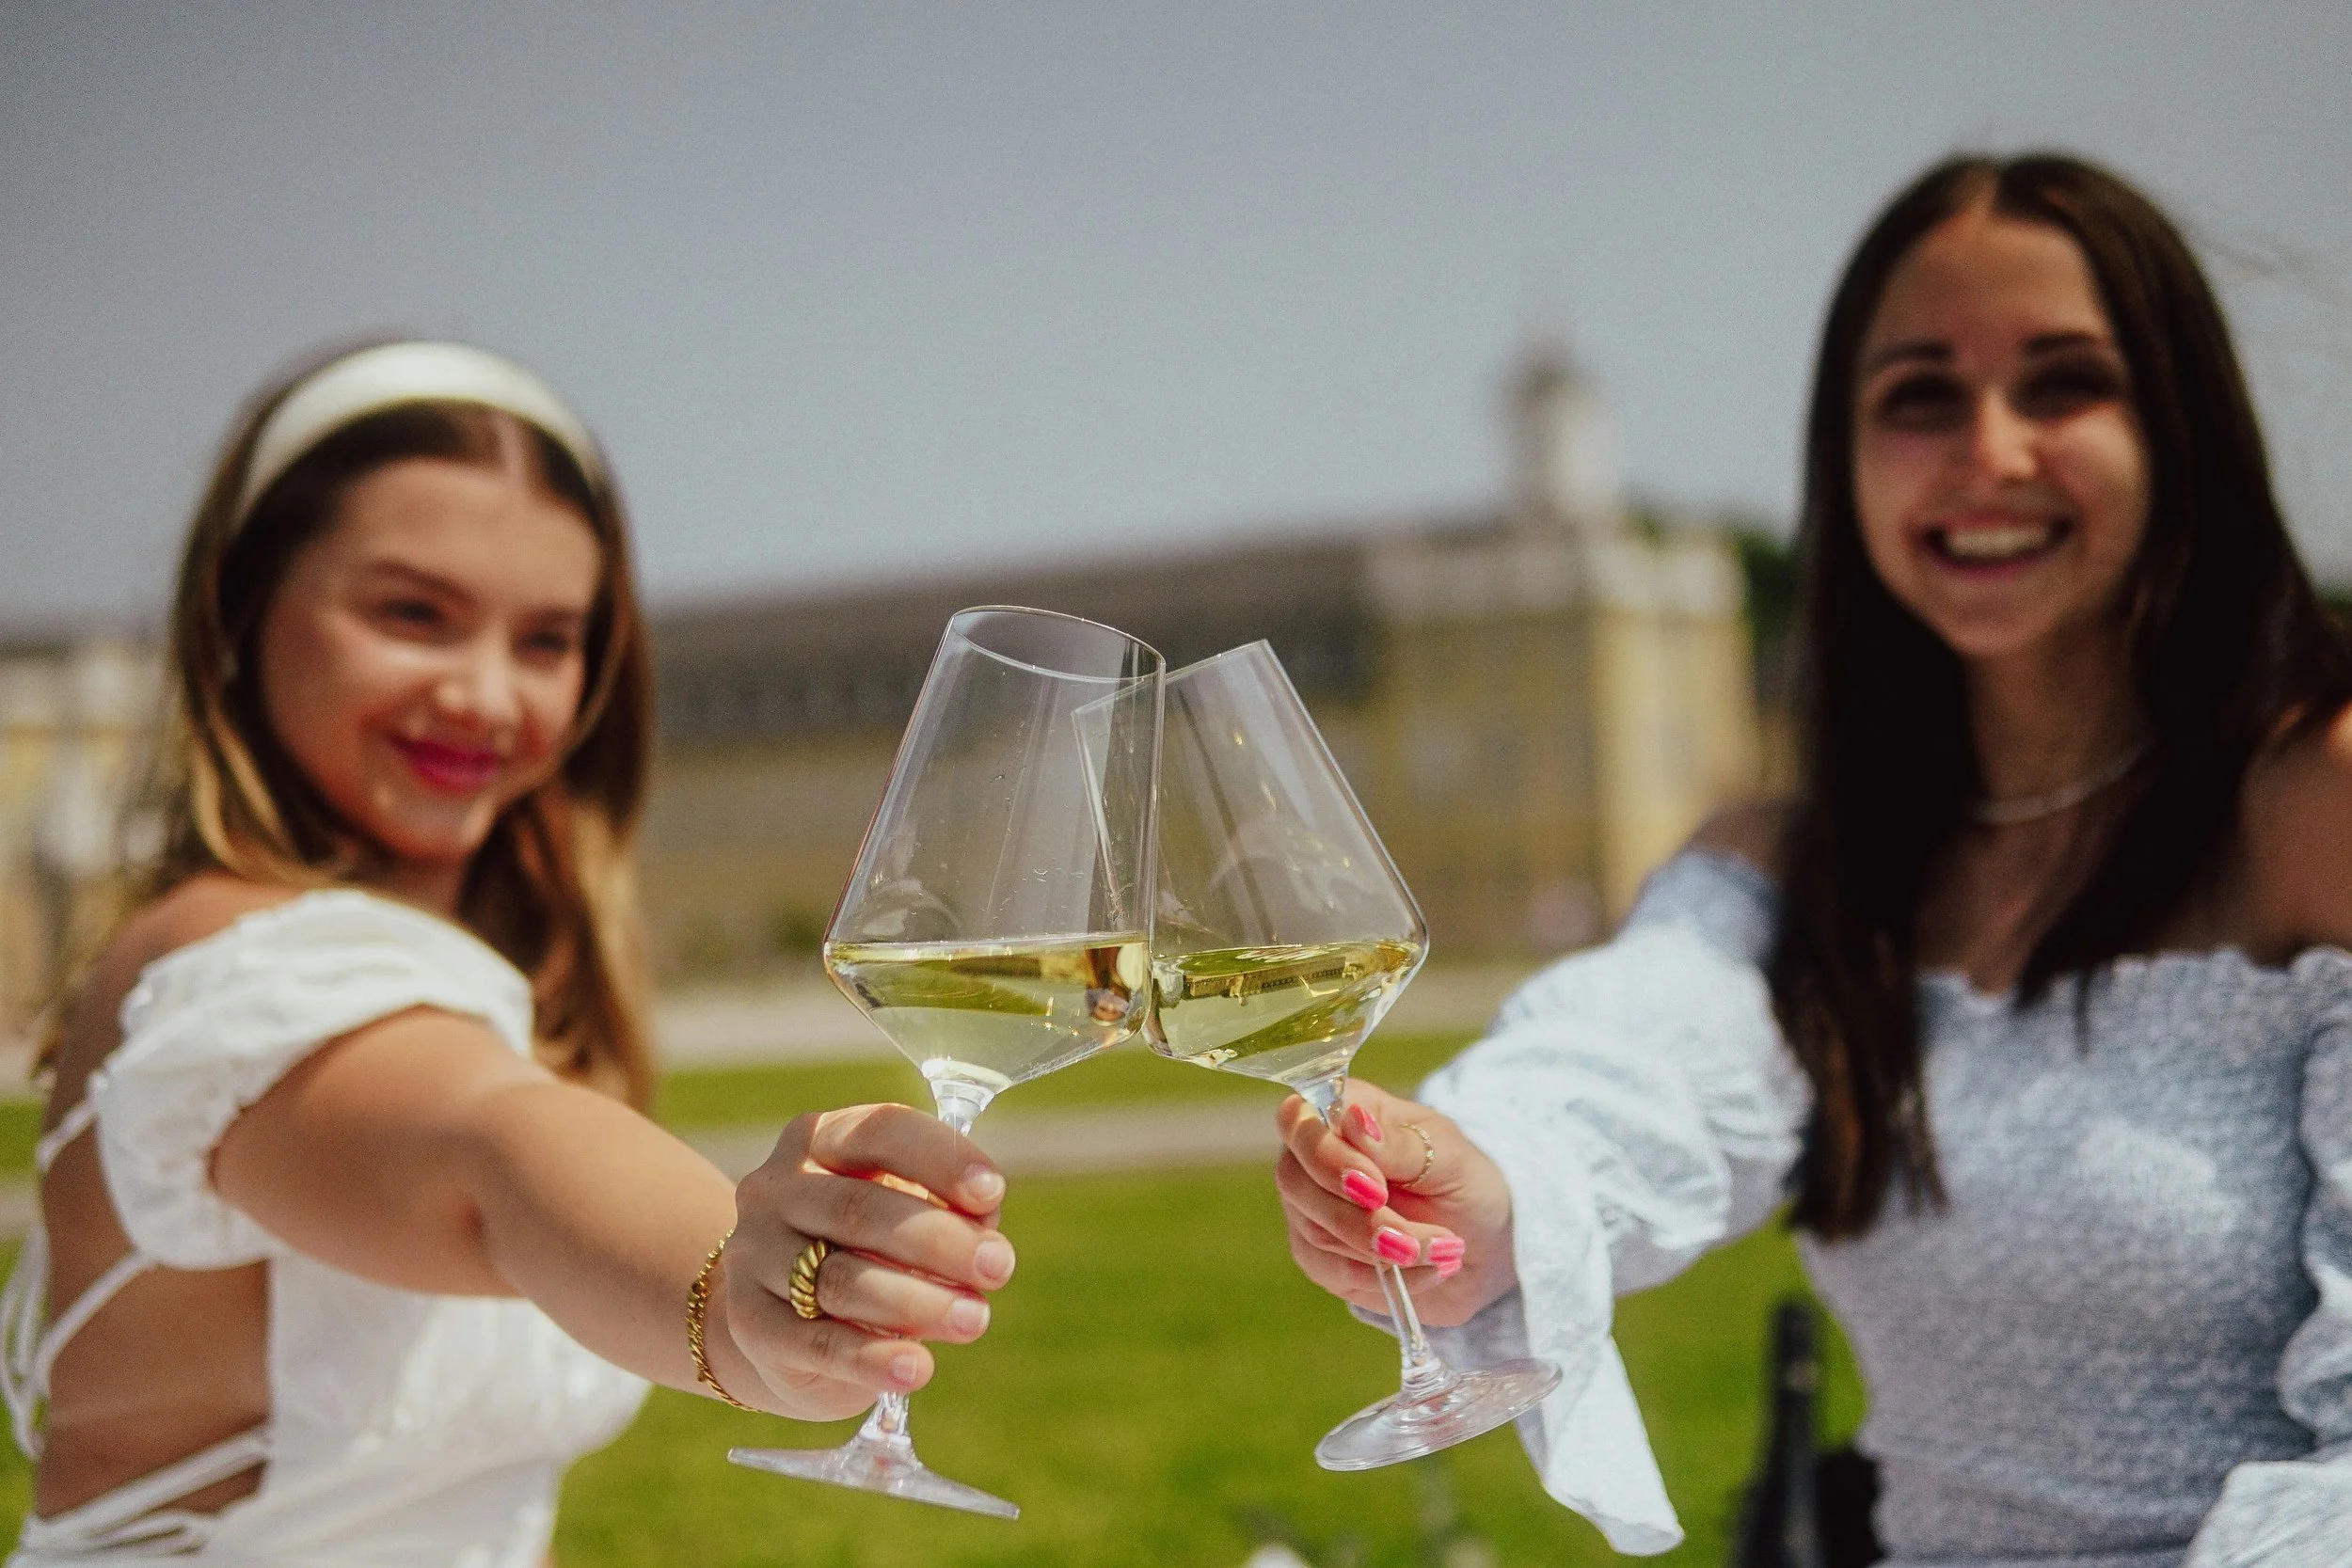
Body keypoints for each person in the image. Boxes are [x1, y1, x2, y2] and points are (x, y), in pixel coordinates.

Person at [1276, 153, 2352, 1567]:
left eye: (2063, 381)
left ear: (2184, 426)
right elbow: (1636, 1062)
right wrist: (1485, 1179)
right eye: (1918, 395)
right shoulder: (1800, 858)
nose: (1988, 448)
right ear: (1845, 464)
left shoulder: (2317, 804)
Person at [0, 341, 1019, 1563]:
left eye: (545, 639)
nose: (486, 694)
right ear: (242, 602)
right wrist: (744, 1290)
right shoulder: (237, 971)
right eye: (412, 613)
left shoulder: (479, 977)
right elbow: (488, 1153)